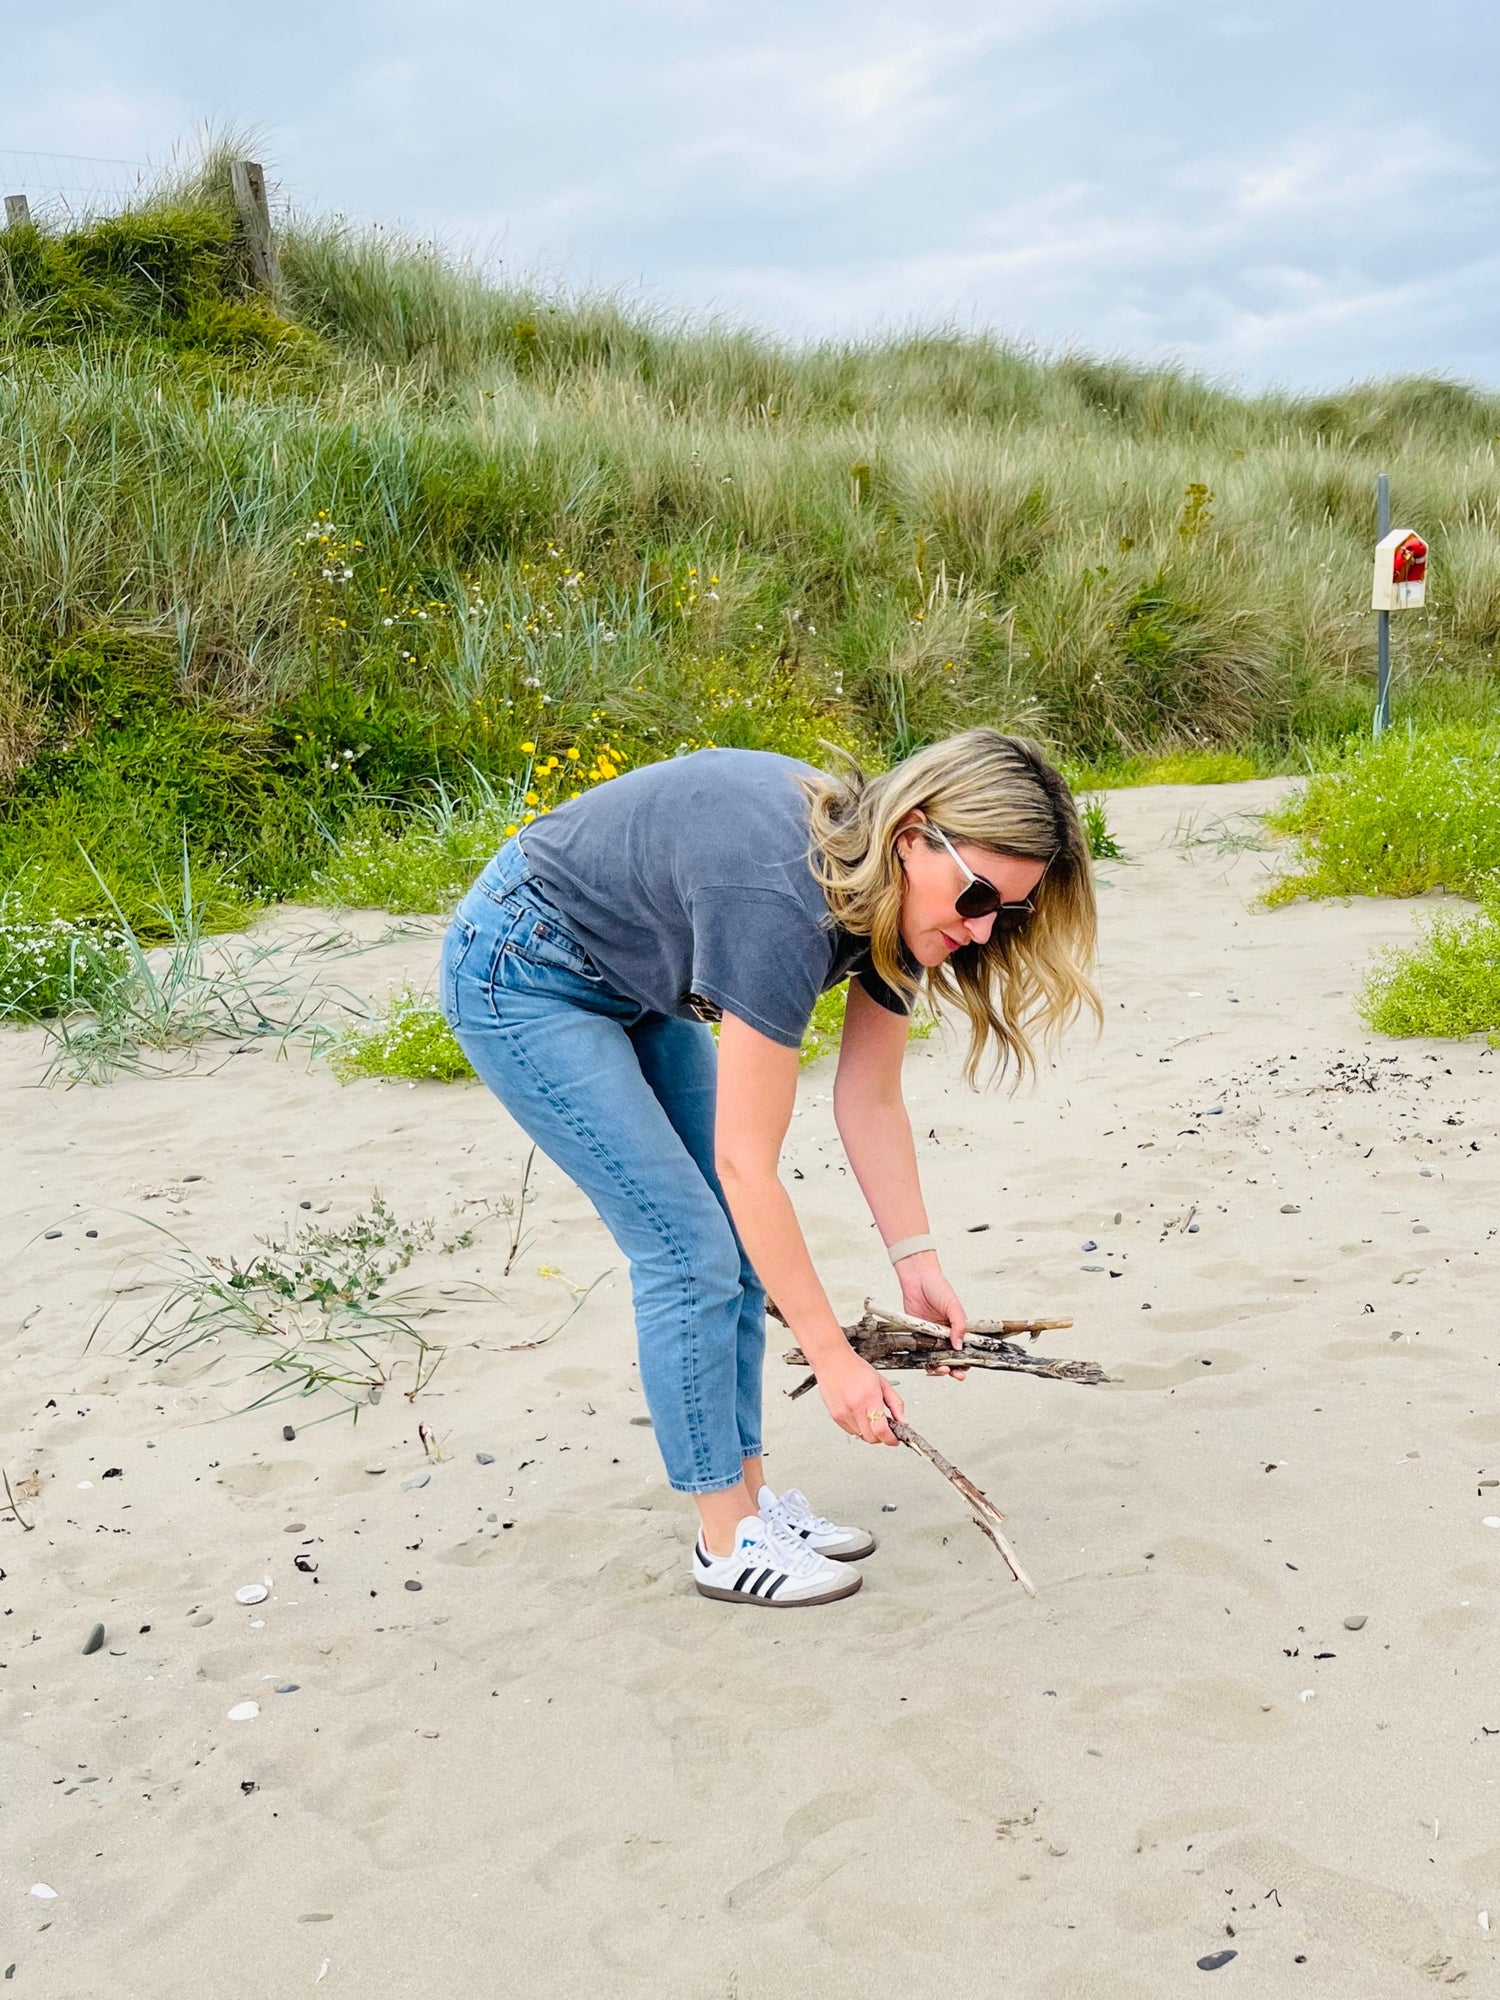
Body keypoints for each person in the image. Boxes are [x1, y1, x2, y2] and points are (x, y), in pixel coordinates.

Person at [441, 729, 1101, 1608]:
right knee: (689, 1248)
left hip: (635, 979)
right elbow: (748, 1165)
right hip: (521, 969)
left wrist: (918, 1259)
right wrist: (833, 1360)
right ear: (913, 833)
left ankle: (750, 1504)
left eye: (1005, 912)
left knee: (735, 1252)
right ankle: (724, 1537)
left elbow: (868, 1100)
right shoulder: (778, 902)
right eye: (977, 894)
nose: (980, 929)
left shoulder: (895, 906)